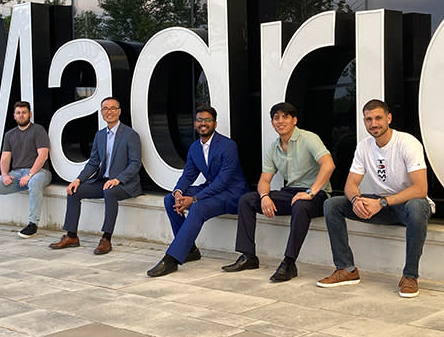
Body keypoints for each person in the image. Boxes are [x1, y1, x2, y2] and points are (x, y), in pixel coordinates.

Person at [318, 99, 433, 297]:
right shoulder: (364, 147)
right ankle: (346, 269)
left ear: (389, 118)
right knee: (331, 204)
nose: (374, 124)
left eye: (378, 118)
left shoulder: (407, 143)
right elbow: (350, 185)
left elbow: (420, 189)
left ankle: (410, 276)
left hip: (407, 207)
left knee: (417, 206)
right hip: (381, 205)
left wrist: (381, 202)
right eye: (369, 119)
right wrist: (356, 201)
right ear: (364, 122)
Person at [223, 102, 334, 282]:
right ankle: (248, 256)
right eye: (276, 118)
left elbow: (328, 164)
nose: (280, 121)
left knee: (300, 205)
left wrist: (311, 192)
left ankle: (289, 263)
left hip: (317, 195)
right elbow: (264, 180)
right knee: (247, 200)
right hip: (290, 193)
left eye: (285, 117)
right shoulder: (274, 148)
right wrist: (265, 196)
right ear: (272, 122)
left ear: (294, 120)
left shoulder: (308, 138)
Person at [147, 105, 249, 277]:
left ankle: (172, 259)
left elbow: (223, 182)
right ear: (195, 124)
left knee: (198, 207)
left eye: (207, 120)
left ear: (214, 124)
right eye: (200, 120)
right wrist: (178, 192)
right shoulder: (195, 147)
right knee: (169, 200)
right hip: (213, 190)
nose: (203, 123)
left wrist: (194, 199)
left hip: (233, 194)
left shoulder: (228, 146)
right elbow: (188, 175)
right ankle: (190, 250)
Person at [49, 96, 141, 255]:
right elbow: (93, 162)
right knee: (74, 191)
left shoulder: (130, 134)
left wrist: (118, 179)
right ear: (101, 112)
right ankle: (71, 236)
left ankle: (106, 239)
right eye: (105, 109)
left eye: (113, 108)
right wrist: (78, 180)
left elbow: (135, 163)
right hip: (104, 181)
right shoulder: (100, 135)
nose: (109, 112)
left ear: (119, 111)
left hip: (125, 184)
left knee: (110, 192)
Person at [0, 101, 51, 239]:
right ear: (14, 116)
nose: (21, 115)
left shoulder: (38, 130)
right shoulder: (10, 134)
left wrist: (30, 174)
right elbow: (5, 157)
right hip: (17, 174)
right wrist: (5, 175)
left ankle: (33, 224)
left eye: (24, 112)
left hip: (40, 172)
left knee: (34, 182)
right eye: (18, 113)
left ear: (30, 114)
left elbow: (43, 155)